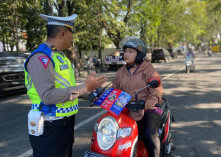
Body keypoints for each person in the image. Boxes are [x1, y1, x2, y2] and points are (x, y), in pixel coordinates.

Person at [24, 14, 106, 157]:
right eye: (71, 33)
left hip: (64, 124)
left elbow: (69, 89)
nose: (72, 37)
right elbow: (48, 96)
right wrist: (85, 87)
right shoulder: (41, 57)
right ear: (63, 33)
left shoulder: (60, 57)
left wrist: (94, 93)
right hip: (49, 126)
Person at [112, 37, 163, 157]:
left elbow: (156, 86)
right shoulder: (121, 72)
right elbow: (114, 89)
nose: (126, 54)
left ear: (139, 54)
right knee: (113, 133)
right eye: (125, 51)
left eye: (131, 51)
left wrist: (153, 99)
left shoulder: (148, 69)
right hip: (128, 108)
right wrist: (102, 95)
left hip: (147, 108)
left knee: (149, 134)